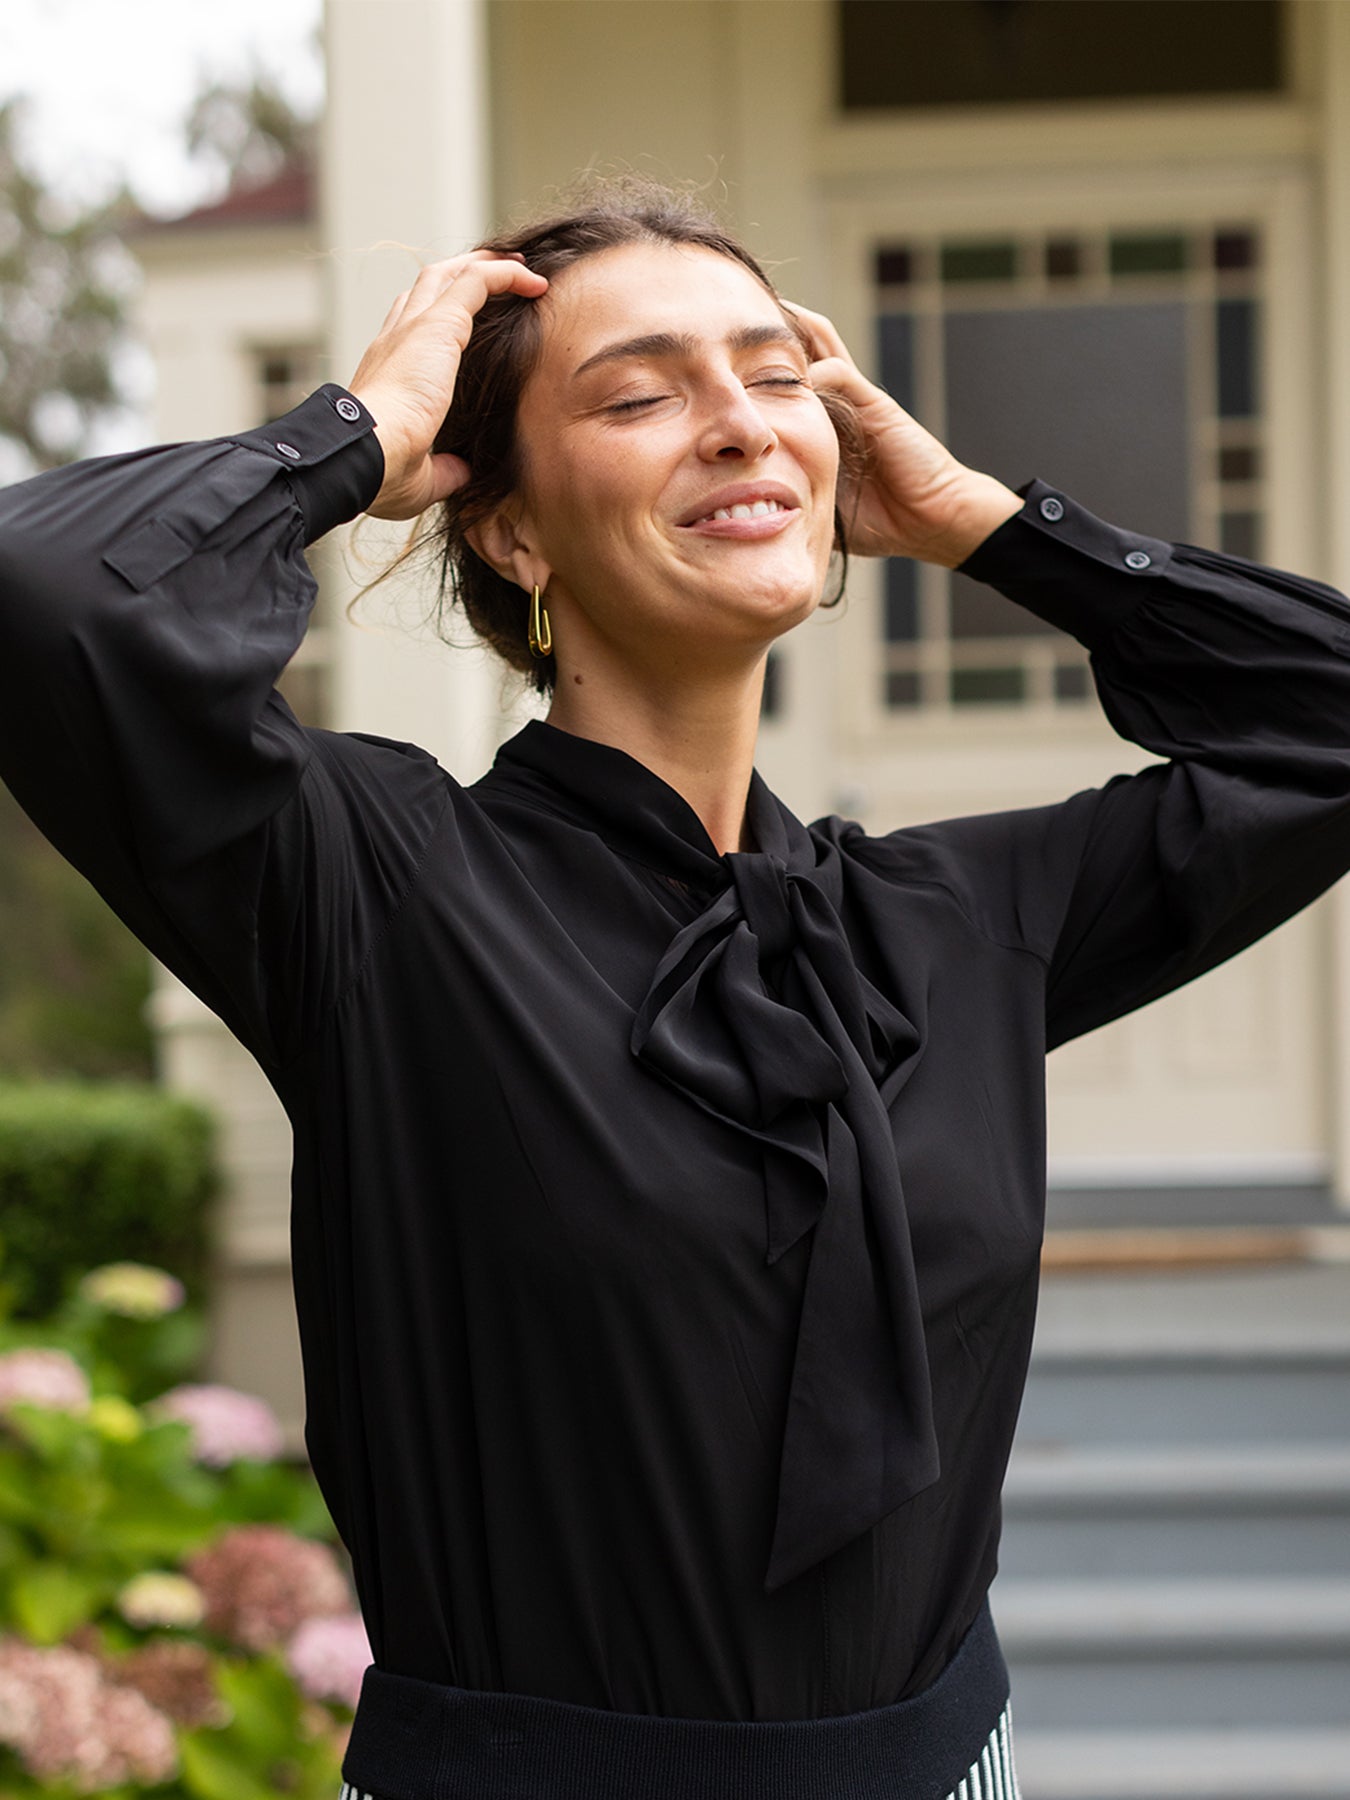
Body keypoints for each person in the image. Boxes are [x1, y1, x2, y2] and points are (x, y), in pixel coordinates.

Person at [3, 179, 1350, 1800]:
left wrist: (983, 524)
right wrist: (355, 434)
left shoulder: (952, 920)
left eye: (774, 376)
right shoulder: (374, 889)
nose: (735, 423)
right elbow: (54, 598)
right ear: (508, 528)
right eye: (638, 394)